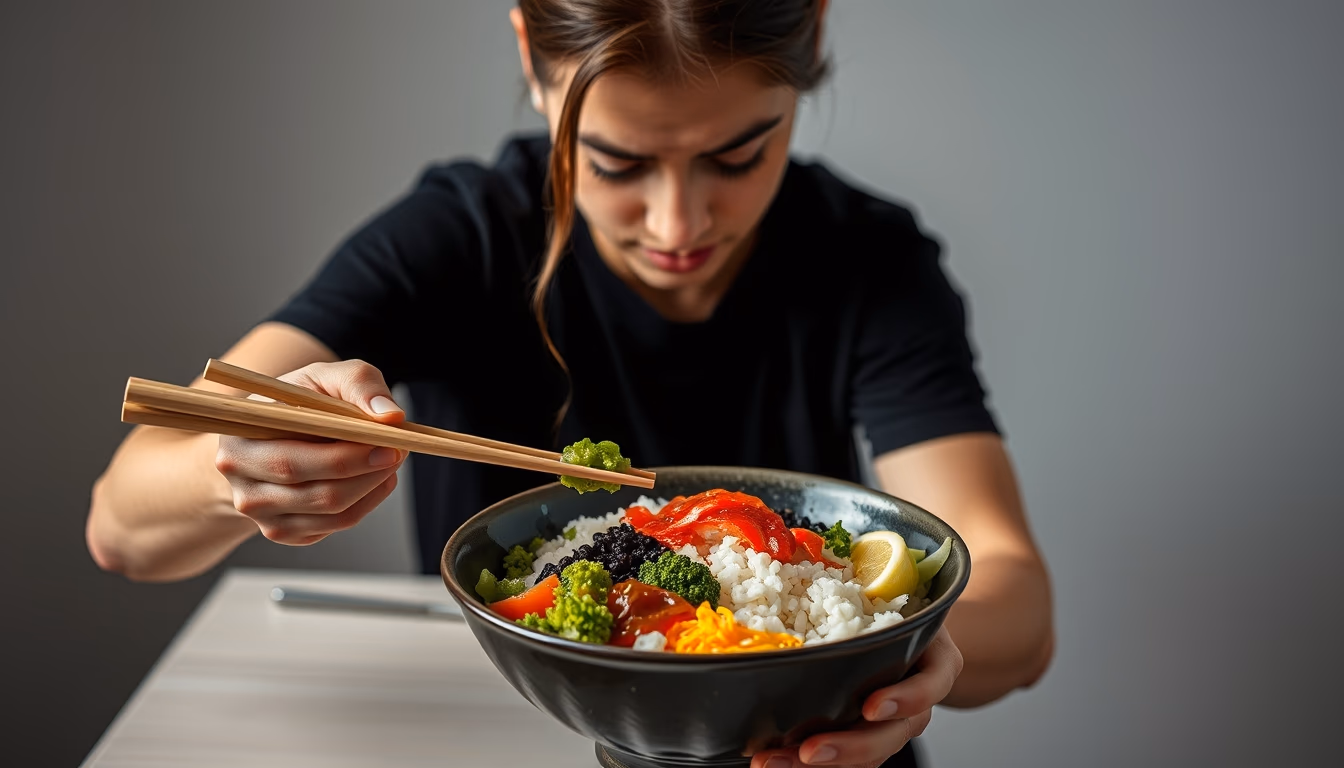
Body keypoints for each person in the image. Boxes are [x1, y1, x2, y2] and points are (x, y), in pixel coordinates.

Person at [87, 2, 1053, 766]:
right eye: (616, 161)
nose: (677, 223)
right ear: (531, 62)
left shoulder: (869, 262)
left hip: (816, 748)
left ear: (815, 29)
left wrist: (896, 648)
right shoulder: (457, 235)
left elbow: (1016, 605)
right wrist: (237, 468)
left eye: (738, 154)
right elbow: (121, 526)